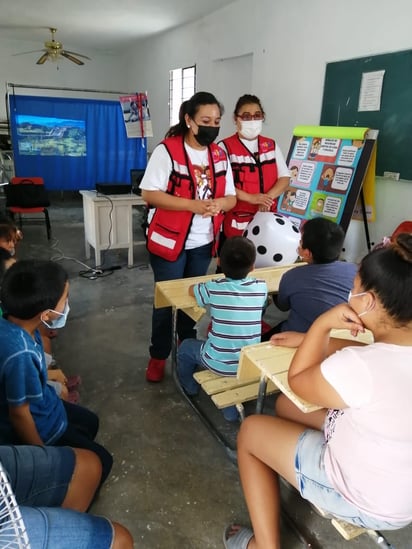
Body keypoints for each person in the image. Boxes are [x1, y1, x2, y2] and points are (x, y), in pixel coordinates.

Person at [223, 233, 412, 548]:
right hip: (398, 484)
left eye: (354, 286)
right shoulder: (386, 353)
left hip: (364, 498)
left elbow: (300, 380)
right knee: (285, 407)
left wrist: (321, 327)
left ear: (367, 302)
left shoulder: (360, 366)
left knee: (251, 431)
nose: (349, 293)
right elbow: (378, 358)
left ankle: (264, 545)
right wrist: (312, 341)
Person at [140, 91, 237, 382]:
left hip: (203, 241)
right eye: (205, 120)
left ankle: (187, 346)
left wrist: (221, 204)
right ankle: (158, 355)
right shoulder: (167, 151)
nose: (212, 126)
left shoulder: (219, 155)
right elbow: (150, 194)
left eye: (217, 121)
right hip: (169, 241)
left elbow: (230, 196)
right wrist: (192, 205)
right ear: (189, 120)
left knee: (192, 300)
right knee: (166, 300)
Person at [0, 259, 113, 484]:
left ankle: (72, 455)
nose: (67, 304)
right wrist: (42, 458)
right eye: (65, 299)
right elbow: (20, 414)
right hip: (43, 426)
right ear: (46, 314)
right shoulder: (20, 353)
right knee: (103, 461)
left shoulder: (16, 325)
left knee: (91, 422)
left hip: (46, 404)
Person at [177, 236, 267, 421]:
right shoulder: (261, 287)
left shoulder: (214, 288)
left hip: (217, 362)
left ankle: (189, 387)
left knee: (185, 347)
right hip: (248, 364)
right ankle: (231, 411)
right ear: (253, 267)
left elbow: (191, 290)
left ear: (218, 262)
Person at [262, 217, 357, 339]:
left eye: (300, 241)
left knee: (261, 339)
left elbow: (283, 306)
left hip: (300, 337)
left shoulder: (292, 276)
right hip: (340, 339)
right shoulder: (355, 270)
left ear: (307, 253)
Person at [219, 94, 290, 240]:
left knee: (265, 258)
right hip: (237, 220)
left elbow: (284, 177)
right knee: (238, 260)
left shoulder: (270, 145)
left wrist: (267, 199)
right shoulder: (224, 147)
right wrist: (251, 198)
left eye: (257, 115)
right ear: (235, 119)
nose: (252, 120)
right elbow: (223, 184)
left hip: (268, 218)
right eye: (246, 117)